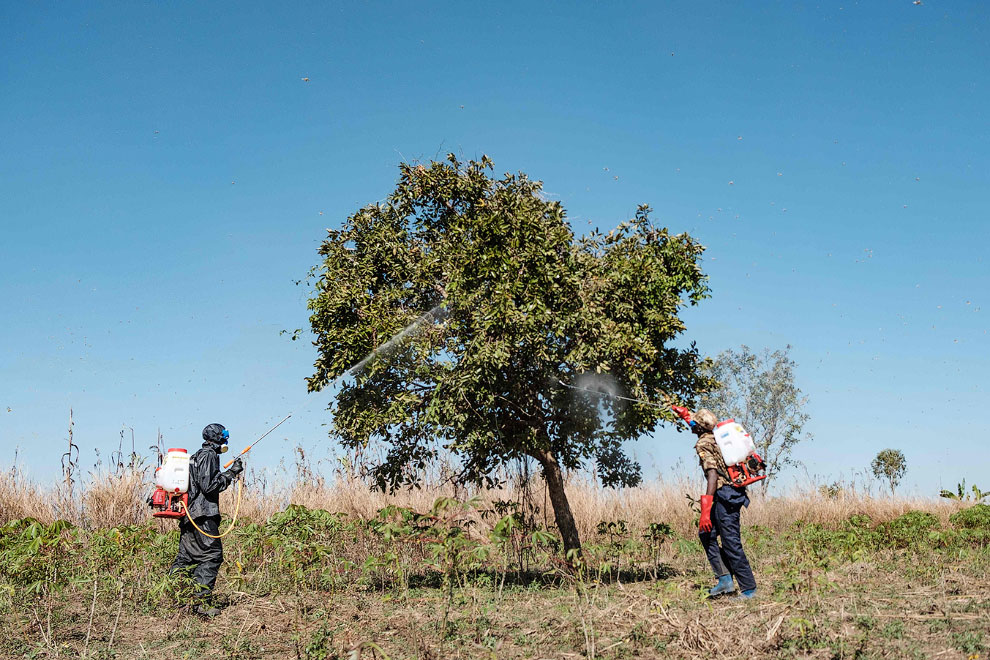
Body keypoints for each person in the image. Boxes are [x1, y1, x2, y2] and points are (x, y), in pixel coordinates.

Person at [170, 423, 243, 616]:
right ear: (219, 438)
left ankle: (177, 600)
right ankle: (201, 604)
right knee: (212, 556)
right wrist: (232, 472)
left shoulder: (196, 456)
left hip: (189, 515)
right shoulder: (209, 456)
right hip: (202, 515)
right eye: (224, 435)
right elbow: (209, 486)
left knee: (187, 558)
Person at [690, 408, 757, 599]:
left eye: (693, 424)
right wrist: (684, 414)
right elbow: (697, 423)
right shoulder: (718, 437)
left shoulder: (703, 443)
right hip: (733, 492)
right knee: (706, 533)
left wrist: (705, 509)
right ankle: (725, 580)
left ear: (697, 427)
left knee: (730, 542)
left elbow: (712, 475)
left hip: (724, 495)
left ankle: (749, 589)